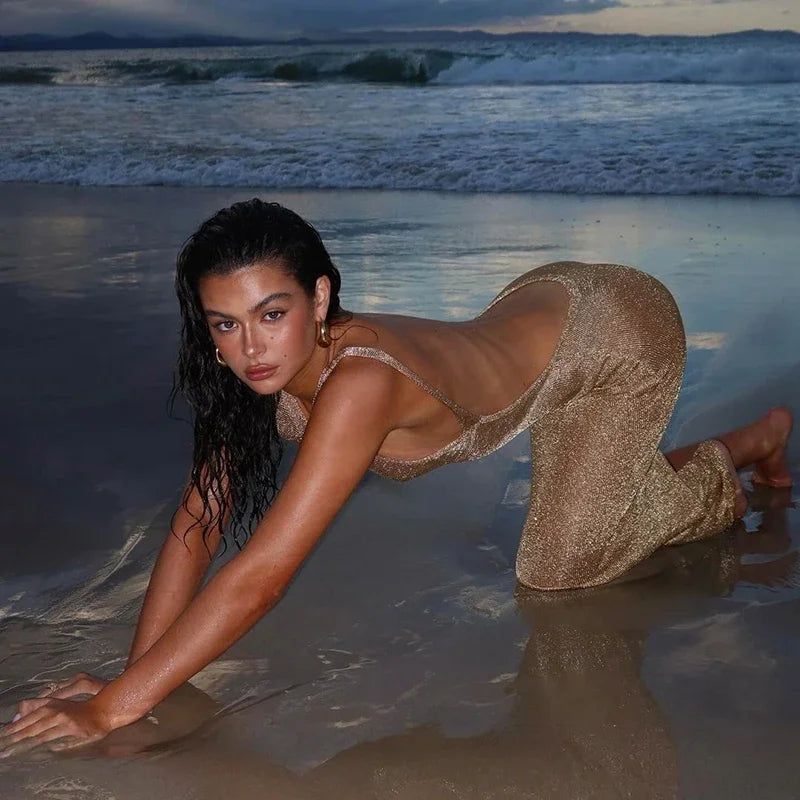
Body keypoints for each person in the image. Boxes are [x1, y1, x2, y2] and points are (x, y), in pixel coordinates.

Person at [1, 199, 793, 753]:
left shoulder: (360, 383)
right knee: (584, 528)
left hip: (613, 333)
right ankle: (650, 475)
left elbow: (265, 575)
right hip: (542, 310)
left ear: (320, 297)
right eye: (226, 325)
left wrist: (112, 711)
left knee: (559, 573)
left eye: (272, 313)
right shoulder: (257, 371)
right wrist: (140, 682)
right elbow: (200, 518)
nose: (251, 349)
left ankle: (750, 446)